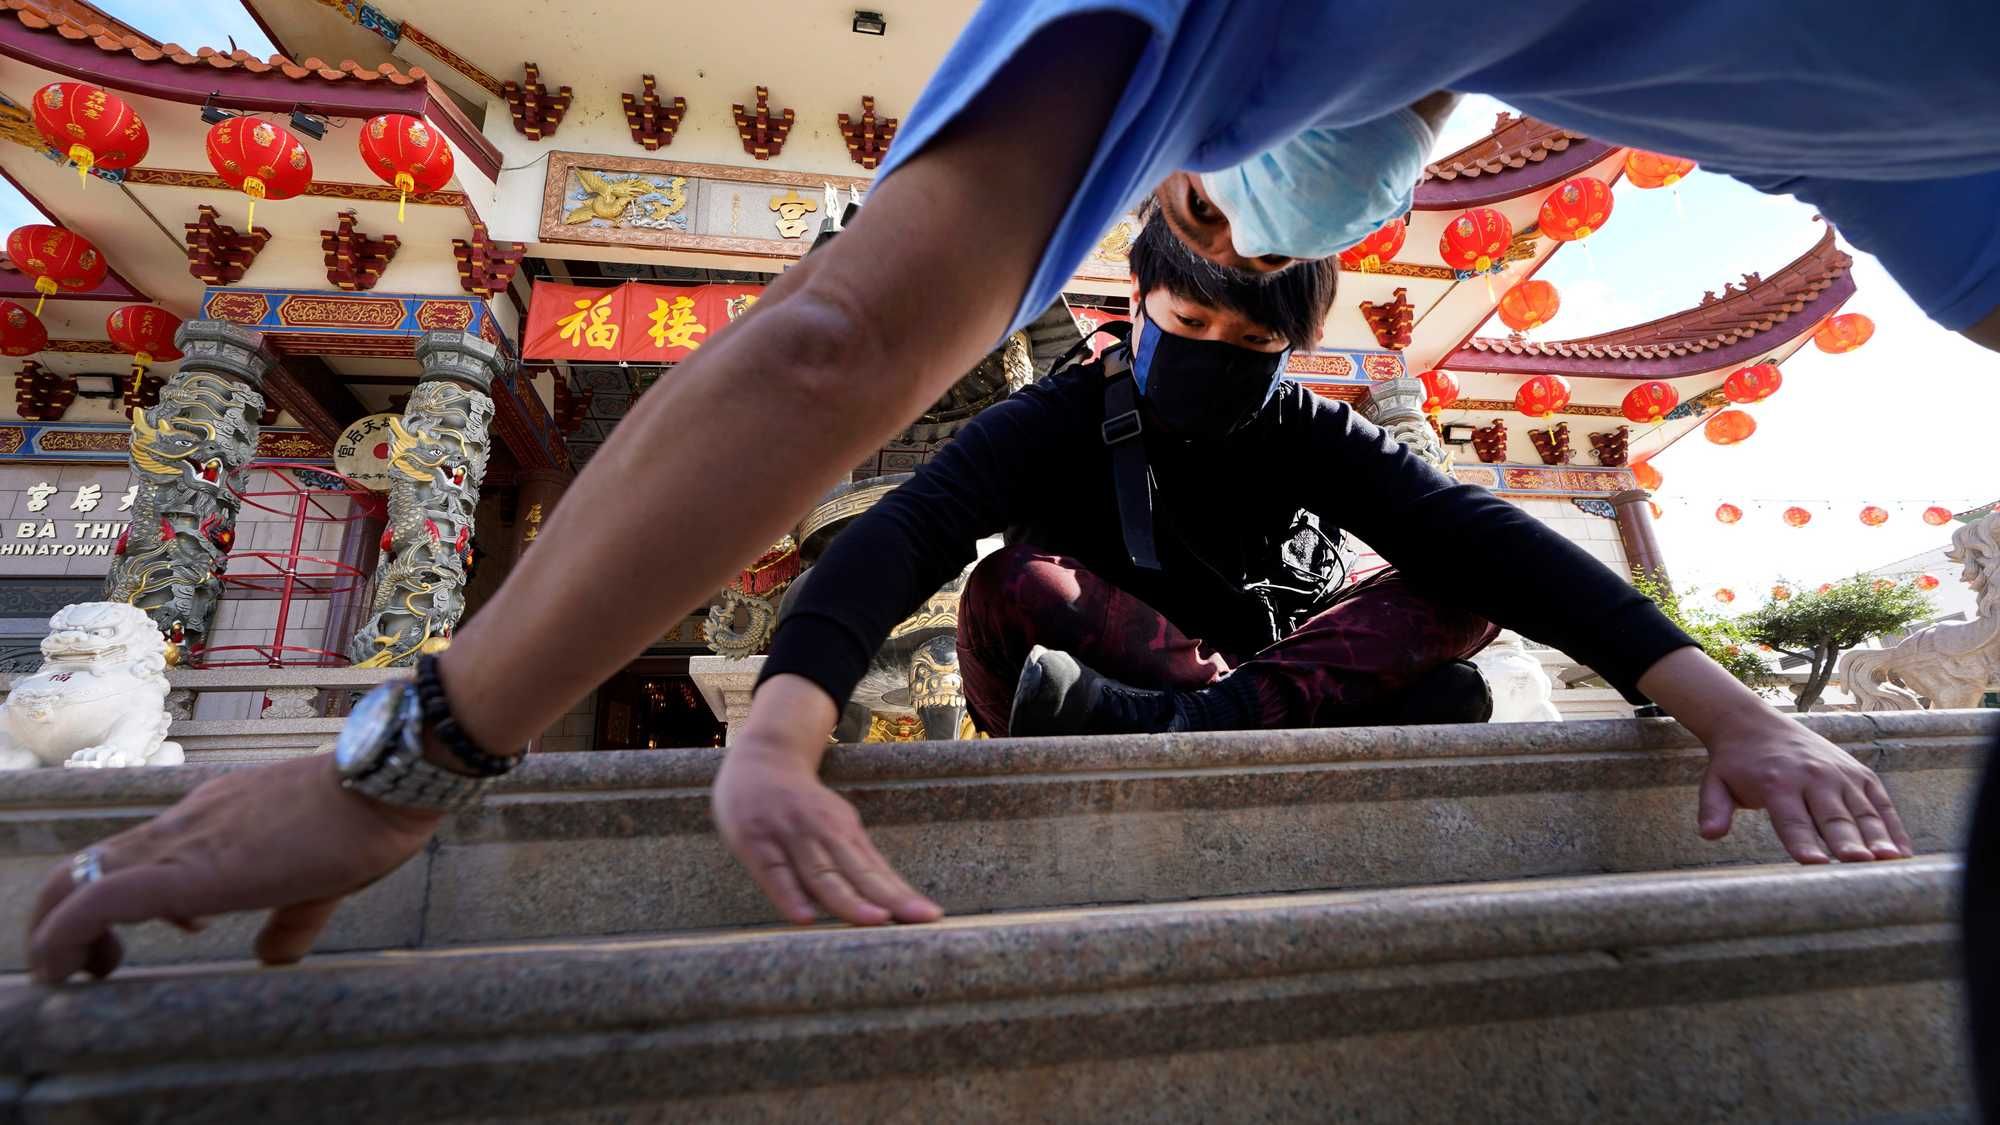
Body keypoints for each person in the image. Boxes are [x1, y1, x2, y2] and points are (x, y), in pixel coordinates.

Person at [29, 0, 1983, 980]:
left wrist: (410, 758)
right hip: (1143, 660)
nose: (1220, 307)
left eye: (1252, 296)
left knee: (1453, 618)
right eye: (1191, 291)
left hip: (1259, 677)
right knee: (1009, 581)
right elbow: (893, 519)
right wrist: (780, 715)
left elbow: (1476, 536)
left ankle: (1185, 716)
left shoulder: (1302, 379)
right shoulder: (1818, 93)